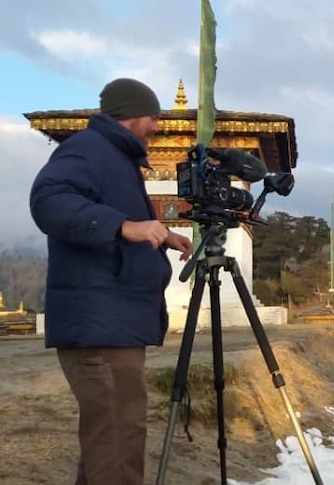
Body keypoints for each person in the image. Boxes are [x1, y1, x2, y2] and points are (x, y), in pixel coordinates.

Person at [29, 78, 193, 485]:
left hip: (113, 324)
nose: (156, 128)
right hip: (99, 326)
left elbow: (117, 220)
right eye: (154, 118)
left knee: (113, 440)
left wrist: (162, 235)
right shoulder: (88, 149)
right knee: (117, 440)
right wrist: (124, 225)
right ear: (132, 115)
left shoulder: (115, 159)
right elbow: (49, 201)